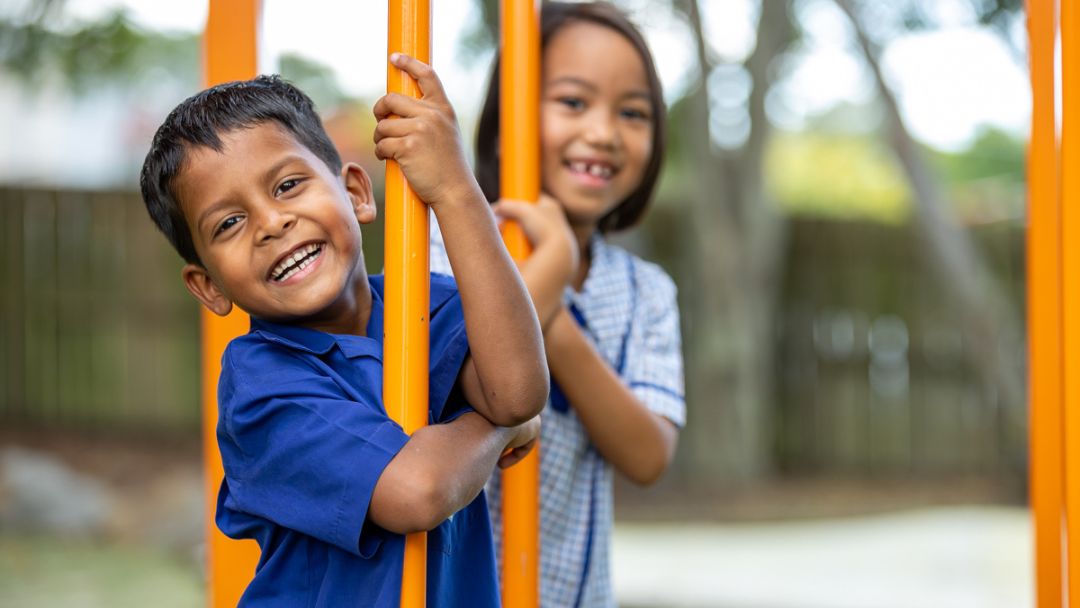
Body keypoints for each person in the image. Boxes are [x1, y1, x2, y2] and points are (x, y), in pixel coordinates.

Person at [139, 54, 549, 607]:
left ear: (357, 192)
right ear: (209, 286)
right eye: (229, 223)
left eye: (287, 185)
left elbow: (518, 390)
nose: (271, 223)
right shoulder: (261, 388)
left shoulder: (428, 305)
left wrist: (453, 189)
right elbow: (419, 490)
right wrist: (498, 429)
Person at [428, 3, 685, 606]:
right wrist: (545, 273)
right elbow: (450, 384)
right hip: (455, 588)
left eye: (632, 113)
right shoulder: (449, 246)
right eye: (573, 102)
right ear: (507, 118)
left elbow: (647, 455)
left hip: (574, 594)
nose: (603, 132)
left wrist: (554, 307)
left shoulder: (647, 291)